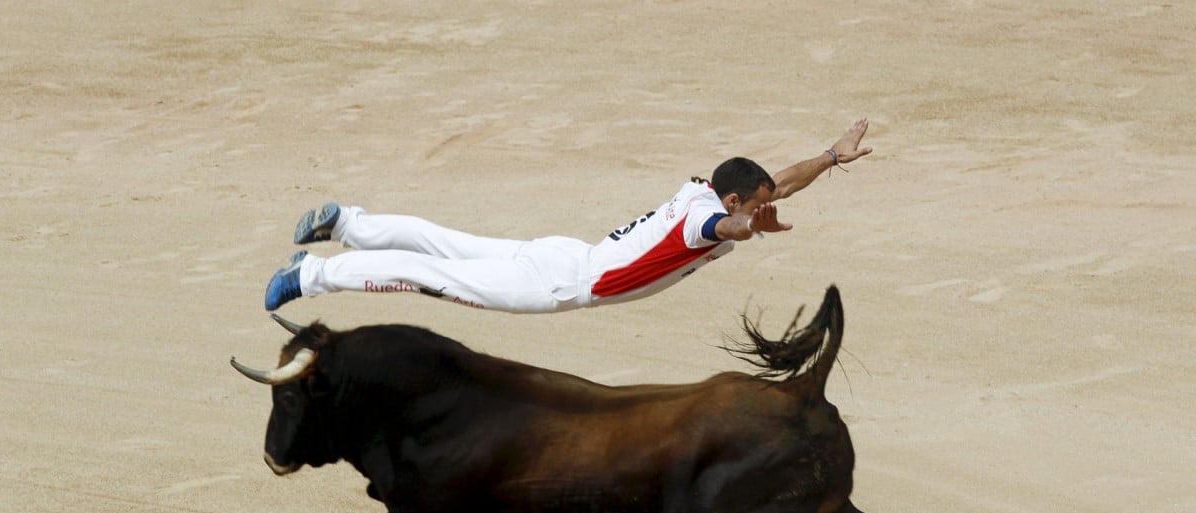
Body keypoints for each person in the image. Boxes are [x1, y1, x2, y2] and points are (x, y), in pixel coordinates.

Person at [264, 118, 873, 313]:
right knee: (430, 273)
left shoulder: (704, 191)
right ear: (735, 201)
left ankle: (346, 224)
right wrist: (750, 229)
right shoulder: (707, 221)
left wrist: (829, 157)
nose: (769, 205)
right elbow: (728, 227)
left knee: (444, 243)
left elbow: (778, 184)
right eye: (757, 204)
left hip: (564, 254)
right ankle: (310, 275)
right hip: (560, 283)